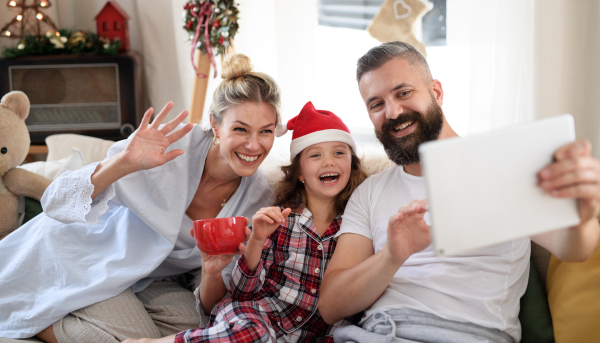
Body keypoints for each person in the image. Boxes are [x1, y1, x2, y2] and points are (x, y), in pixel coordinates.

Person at [319, 41, 600, 343]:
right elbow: (331, 306)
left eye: (404, 93)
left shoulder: (504, 167)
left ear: (436, 93)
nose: (393, 112)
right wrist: (392, 256)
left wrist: (583, 214)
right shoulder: (370, 191)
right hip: (378, 332)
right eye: (376, 104)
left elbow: (575, 249)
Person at [0, 54, 282, 343]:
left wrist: (211, 272)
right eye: (240, 129)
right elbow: (54, 202)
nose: (253, 145)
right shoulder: (173, 147)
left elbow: (215, 301)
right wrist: (125, 162)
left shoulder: (259, 198)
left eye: (266, 132)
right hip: (87, 256)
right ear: (214, 123)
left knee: (192, 327)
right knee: (139, 338)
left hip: (147, 279)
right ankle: (36, 320)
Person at [121, 101, 368, 343]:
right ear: (300, 173)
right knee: (253, 334)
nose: (329, 162)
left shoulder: (357, 227)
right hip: (258, 316)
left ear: (352, 162)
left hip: (313, 333)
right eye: (315, 155)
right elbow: (241, 292)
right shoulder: (278, 219)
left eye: (339, 153)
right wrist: (257, 241)